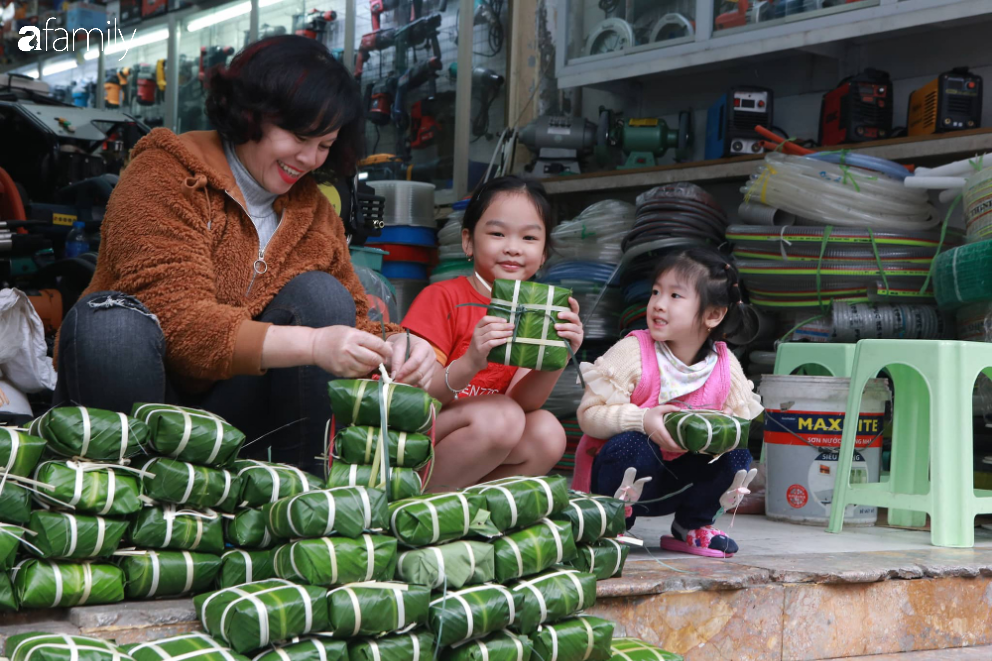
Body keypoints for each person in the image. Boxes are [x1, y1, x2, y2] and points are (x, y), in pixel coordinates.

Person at [52, 36, 436, 474]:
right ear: (251, 114)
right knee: (111, 323)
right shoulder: (166, 173)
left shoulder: (313, 212)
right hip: (139, 392)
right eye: (299, 136)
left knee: (323, 296)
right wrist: (313, 344)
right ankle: (117, 499)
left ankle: (299, 497)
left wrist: (397, 343)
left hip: (233, 415)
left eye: (325, 144)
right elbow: (178, 322)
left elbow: (353, 316)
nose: (309, 159)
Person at [574, 247, 763, 557]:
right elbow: (589, 415)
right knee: (633, 445)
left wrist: (726, 424)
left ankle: (692, 526)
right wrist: (642, 420)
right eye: (656, 292)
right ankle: (609, 524)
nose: (658, 304)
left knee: (736, 453)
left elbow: (740, 424)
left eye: (675, 296)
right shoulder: (633, 352)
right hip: (618, 481)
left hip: (676, 485)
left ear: (713, 314)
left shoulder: (725, 366)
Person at [401, 176, 583, 489]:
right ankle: (414, 499)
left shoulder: (536, 309)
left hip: (489, 430)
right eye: (498, 233)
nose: (513, 248)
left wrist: (558, 356)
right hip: (420, 434)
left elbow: (522, 403)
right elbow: (418, 397)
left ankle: (470, 510)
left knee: (548, 432)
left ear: (543, 254)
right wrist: (471, 361)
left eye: (528, 238)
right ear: (468, 241)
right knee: (502, 417)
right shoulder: (443, 298)